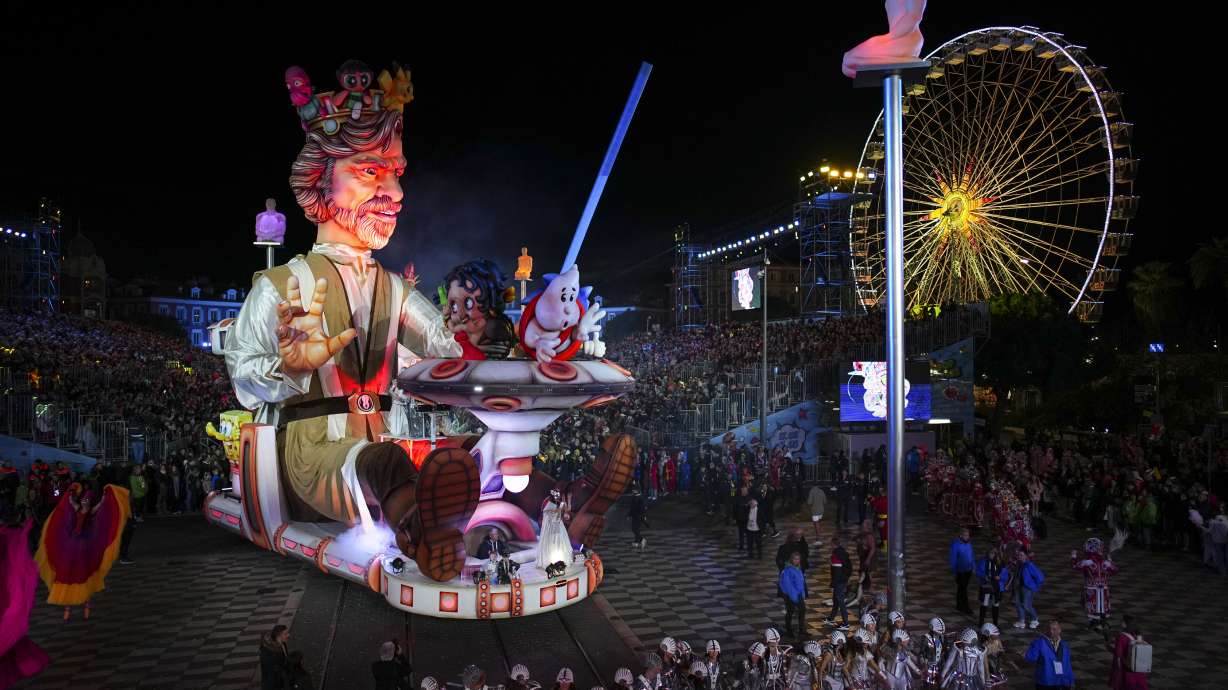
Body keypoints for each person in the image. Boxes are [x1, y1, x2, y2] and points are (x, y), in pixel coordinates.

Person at [34, 482, 130, 621]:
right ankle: (68, 607)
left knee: (83, 573)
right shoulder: (77, 507)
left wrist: (105, 494)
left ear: (90, 502)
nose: (85, 501)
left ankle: (86, 605)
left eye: (87, 500)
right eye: (84, 500)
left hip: (83, 546)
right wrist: (72, 490)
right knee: (68, 573)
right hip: (71, 545)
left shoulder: (91, 511)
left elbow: (101, 505)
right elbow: (69, 500)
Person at [1071, 537, 1117, 633]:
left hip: (1091, 589)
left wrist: (1074, 556)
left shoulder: (1087, 562)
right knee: (1102, 607)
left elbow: (1075, 566)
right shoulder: (1105, 562)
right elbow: (1114, 569)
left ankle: (1095, 623)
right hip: (1103, 589)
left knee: (1091, 606)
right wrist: (1110, 560)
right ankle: (1101, 624)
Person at [1023, 621, 1074, 690]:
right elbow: (1032, 657)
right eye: (1050, 629)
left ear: (1059, 630)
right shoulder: (1039, 642)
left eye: (1054, 629)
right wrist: (1026, 655)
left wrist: (1070, 680)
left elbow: (1067, 664)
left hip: (1061, 681)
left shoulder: (1064, 644)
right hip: (1047, 681)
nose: (1051, 631)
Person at [1109, 614, 1148, 690]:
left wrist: (1110, 649)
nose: (1121, 622)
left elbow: (1118, 654)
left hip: (1127, 667)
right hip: (1138, 667)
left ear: (1125, 624)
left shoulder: (1121, 637)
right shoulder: (1137, 635)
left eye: (1123, 621)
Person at [536, 489, 572, 569]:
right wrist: (561, 506)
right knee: (553, 543)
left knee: (559, 542)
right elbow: (552, 514)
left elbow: (565, 511)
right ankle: (552, 561)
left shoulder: (559, 503)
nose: (557, 497)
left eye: (558, 495)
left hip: (558, 526)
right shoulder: (549, 504)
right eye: (556, 495)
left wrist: (567, 501)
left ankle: (560, 561)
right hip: (551, 527)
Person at [1009, 551, 1043, 630]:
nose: (1019, 556)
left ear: (1026, 556)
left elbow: (1040, 577)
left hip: (1027, 588)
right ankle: (1021, 621)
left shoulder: (1029, 565)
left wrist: (1035, 586)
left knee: (1026, 605)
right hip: (1018, 587)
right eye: (1018, 555)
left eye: (1021, 555)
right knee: (1018, 604)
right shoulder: (1019, 564)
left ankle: (1034, 619)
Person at [780, 552, 808, 639]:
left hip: (798, 594)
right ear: (791, 559)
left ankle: (801, 630)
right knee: (790, 611)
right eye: (795, 559)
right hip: (791, 595)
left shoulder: (798, 568)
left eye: (798, 559)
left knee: (802, 610)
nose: (797, 560)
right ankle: (789, 630)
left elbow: (801, 582)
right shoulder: (788, 570)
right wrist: (794, 596)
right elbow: (787, 585)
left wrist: (802, 594)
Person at [974, 547, 1004, 627]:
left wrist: (1000, 577)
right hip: (986, 585)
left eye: (994, 553)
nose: (993, 555)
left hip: (997, 586)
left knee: (996, 603)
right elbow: (978, 571)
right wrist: (985, 576)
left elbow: (1005, 573)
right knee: (984, 603)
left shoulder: (1000, 562)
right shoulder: (983, 562)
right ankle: (981, 622)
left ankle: (995, 623)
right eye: (991, 553)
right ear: (988, 553)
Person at [826, 534, 851, 630]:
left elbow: (836, 572)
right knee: (836, 599)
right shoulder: (843, 552)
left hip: (839, 581)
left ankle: (846, 623)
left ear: (833, 544)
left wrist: (833, 584)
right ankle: (831, 618)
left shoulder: (836, 555)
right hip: (843, 579)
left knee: (840, 601)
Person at [950, 528, 975, 615]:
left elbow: (971, 555)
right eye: (965, 535)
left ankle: (959, 605)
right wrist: (954, 572)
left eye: (968, 535)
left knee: (961, 588)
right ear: (961, 536)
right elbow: (953, 559)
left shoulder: (969, 544)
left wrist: (973, 566)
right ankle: (966, 607)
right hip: (960, 571)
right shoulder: (955, 545)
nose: (967, 537)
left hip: (968, 570)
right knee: (963, 589)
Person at [260, 625, 291, 690]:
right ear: (278, 636)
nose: (288, 635)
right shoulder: (270, 654)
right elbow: (271, 675)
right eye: (285, 634)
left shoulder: (282, 644)